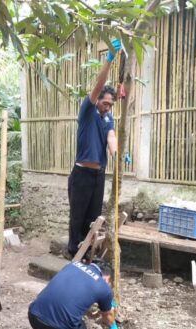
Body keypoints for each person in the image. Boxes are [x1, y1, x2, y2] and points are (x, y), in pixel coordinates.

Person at [68, 39, 121, 257]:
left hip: (98, 175)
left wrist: (117, 154)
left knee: (93, 217)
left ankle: (87, 253)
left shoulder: (107, 118)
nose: (108, 107)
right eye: (105, 103)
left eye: (111, 104)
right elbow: (98, 85)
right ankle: (73, 252)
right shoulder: (87, 111)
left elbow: (111, 136)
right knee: (77, 215)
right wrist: (108, 60)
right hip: (81, 174)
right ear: (97, 100)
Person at [28, 258, 116, 329]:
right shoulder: (103, 286)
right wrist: (113, 326)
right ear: (107, 277)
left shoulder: (72, 265)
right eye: (109, 283)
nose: (108, 286)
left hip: (33, 318)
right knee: (81, 328)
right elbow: (107, 316)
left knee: (67, 312)